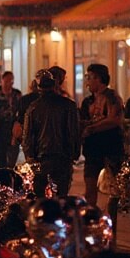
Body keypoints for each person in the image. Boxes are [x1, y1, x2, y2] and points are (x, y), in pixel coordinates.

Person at [22, 68, 81, 196]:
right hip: (63, 157)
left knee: (40, 196)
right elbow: (74, 132)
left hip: (41, 158)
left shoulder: (33, 107)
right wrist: (74, 153)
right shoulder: (68, 105)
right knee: (61, 195)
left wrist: (30, 157)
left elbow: (27, 136)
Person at [79, 62, 124, 210]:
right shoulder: (87, 101)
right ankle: (91, 221)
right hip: (92, 151)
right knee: (90, 189)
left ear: (99, 78)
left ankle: (112, 224)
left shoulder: (112, 97)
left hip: (111, 150)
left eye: (90, 77)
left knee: (114, 191)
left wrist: (92, 128)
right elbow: (82, 122)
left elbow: (114, 120)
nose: (87, 82)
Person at [0, 70, 23, 169]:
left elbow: (20, 111)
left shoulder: (17, 94)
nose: (8, 84)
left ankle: (10, 176)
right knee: (1, 158)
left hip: (12, 129)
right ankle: (2, 179)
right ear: (2, 80)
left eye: (11, 81)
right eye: (6, 81)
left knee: (13, 157)